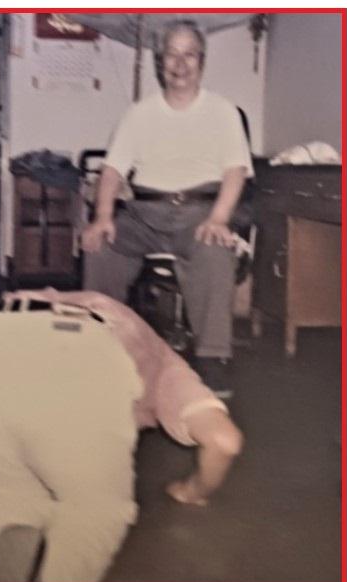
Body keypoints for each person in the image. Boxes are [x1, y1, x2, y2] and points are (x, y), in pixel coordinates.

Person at [0, 289, 243, 582]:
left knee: (10, 492)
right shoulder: (162, 359)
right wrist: (191, 491)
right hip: (76, 355)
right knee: (94, 509)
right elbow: (224, 441)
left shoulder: (85, 303)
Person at [82, 20, 254, 399]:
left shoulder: (223, 112)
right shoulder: (138, 114)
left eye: (189, 54)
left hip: (200, 212)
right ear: (160, 62)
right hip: (144, 213)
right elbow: (111, 171)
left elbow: (235, 171)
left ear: (201, 61)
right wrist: (103, 217)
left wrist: (219, 218)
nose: (180, 64)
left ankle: (212, 356)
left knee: (214, 249)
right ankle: (98, 344)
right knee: (100, 246)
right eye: (171, 55)